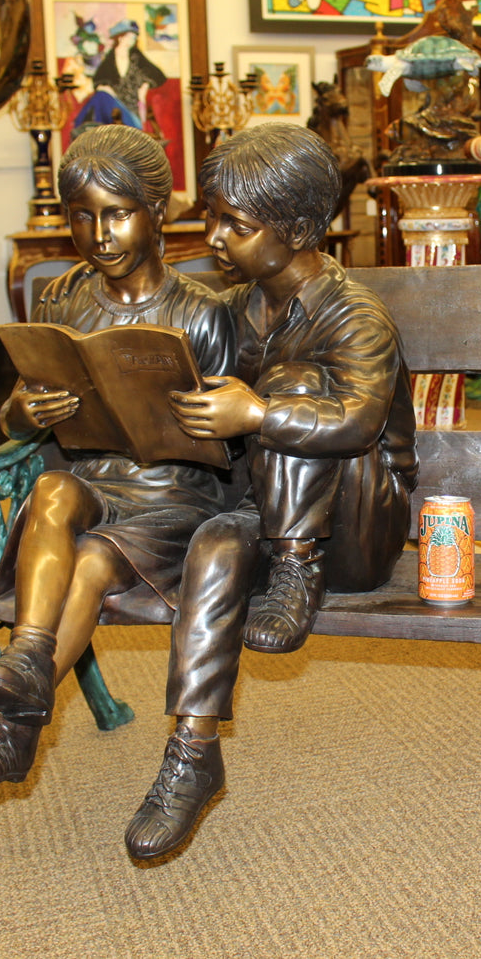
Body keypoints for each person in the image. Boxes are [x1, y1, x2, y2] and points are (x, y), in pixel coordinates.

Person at [122, 122, 418, 859]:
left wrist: (256, 410)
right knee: (217, 542)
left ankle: (294, 566)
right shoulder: (238, 310)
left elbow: (355, 420)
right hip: (268, 506)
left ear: (294, 229)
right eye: (214, 216)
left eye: (236, 224)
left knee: (285, 390)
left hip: (355, 528)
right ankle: (192, 754)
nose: (214, 236)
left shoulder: (355, 315)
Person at [0, 124, 236, 787]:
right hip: (93, 480)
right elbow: (14, 407)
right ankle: (29, 661)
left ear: (156, 215)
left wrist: (205, 419)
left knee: (94, 557)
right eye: (82, 216)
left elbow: (229, 447)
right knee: (52, 492)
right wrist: (26, 411)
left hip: (173, 496)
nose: (100, 233)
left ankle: (11, 730)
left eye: (119, 215)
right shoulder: (62, 297)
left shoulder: (202, 311)